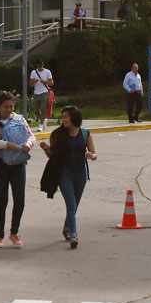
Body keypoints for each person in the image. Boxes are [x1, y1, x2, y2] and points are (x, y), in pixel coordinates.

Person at [39, 105, 98, 249]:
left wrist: (91, 155)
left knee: (74, 206)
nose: (63, 119)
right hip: (65, 174)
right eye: (63, 116)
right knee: (71, 205)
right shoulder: (57, 134)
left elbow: (94, 154)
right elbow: (52, 156)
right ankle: (73, 234)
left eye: (66, 117)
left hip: (81, 174)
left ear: (74, 118)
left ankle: (66, 228)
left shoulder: (85, 134)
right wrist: (46, 148)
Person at [0, 91, 36, 248]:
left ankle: (14, 233)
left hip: (18, 163)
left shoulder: (20, 120)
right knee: (2, 200)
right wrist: (7, 144)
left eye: (11, 106)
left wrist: (28, 145)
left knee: (19, 198)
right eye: (5, 107)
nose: (8, 110)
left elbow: (31, 136)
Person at [29, 60, 54, 132]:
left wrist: (45, 81)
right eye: (38, 67)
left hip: (44, 92)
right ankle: (43, 119)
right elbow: (30, 84)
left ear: (42, 65)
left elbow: (51, 83)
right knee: (35, 110)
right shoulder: (33, 72)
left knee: (43, 109)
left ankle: (40, 125)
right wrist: (34, 81)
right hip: (36, 93)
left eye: (40, 67)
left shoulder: (47, 72)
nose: (39, 68)